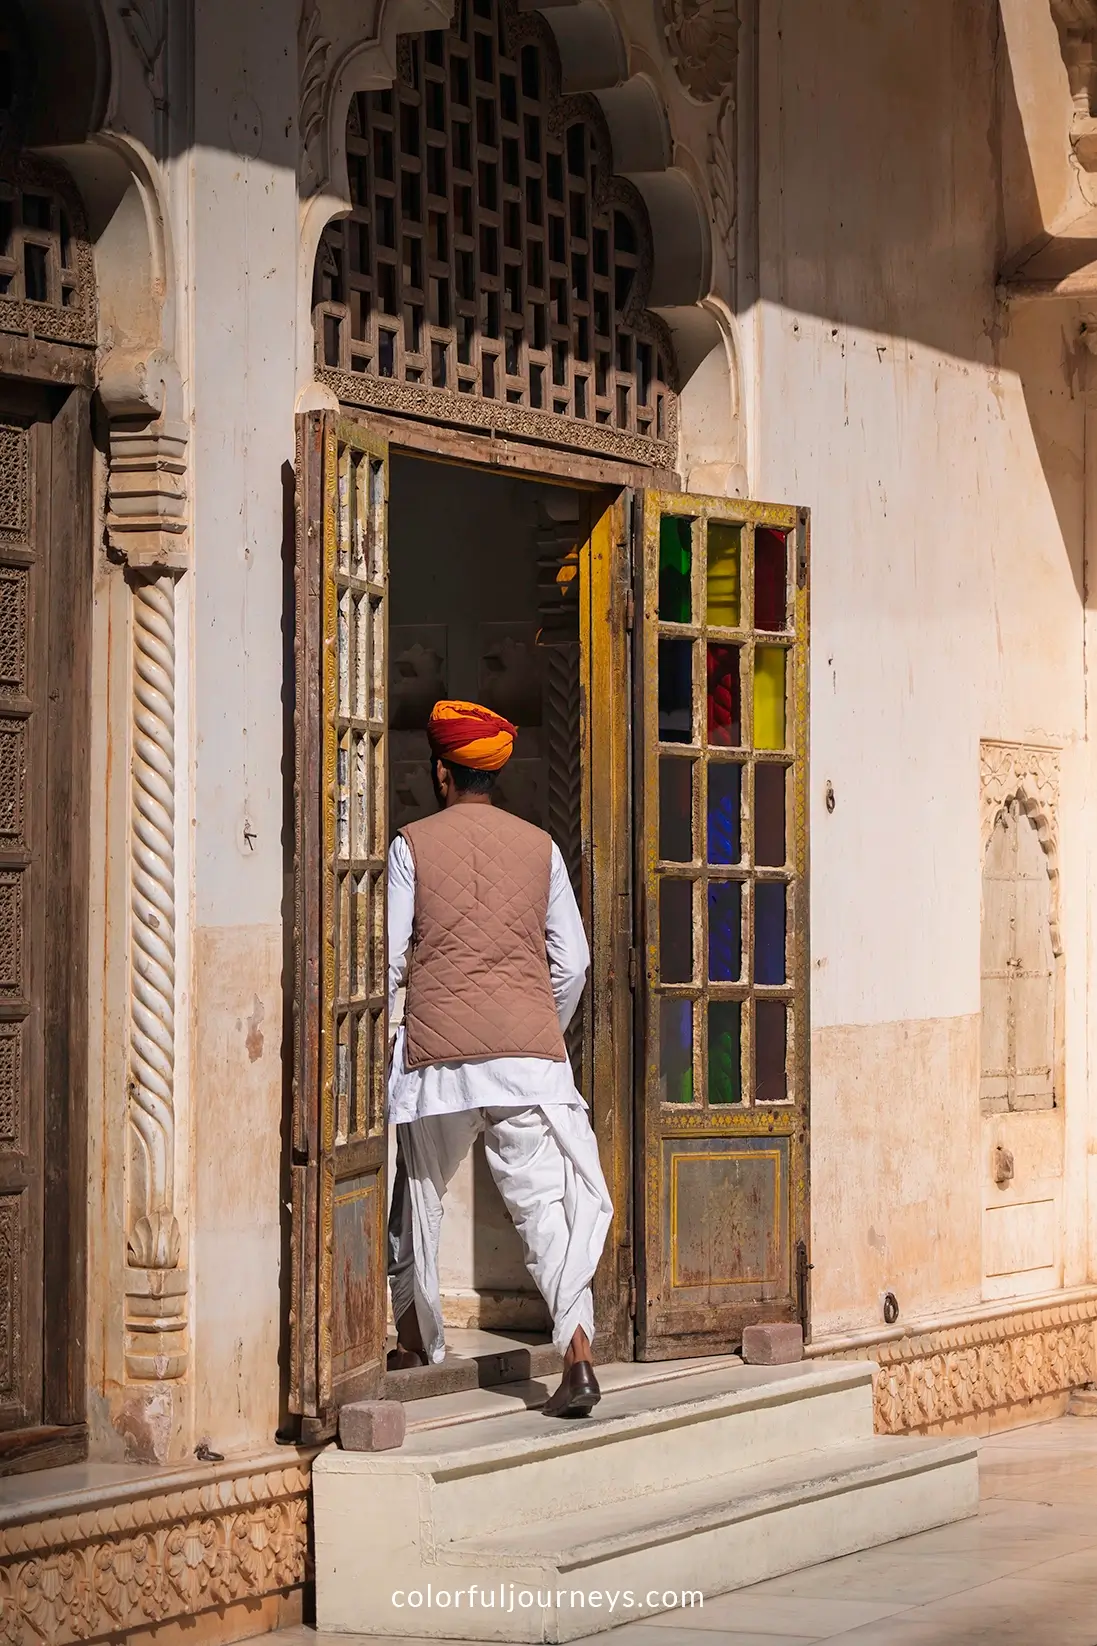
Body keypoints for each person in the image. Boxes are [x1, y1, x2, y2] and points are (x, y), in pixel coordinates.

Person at [386, 699, 613, 1417]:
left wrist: (396, 1035)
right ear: (492, 775)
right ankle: (575, 1354)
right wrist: (538, 1022)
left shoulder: (410, 845)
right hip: (526, 1056)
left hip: (437, 1058)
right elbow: (572, 964)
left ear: (439, 773)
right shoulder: (539, 846)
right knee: (543, 1208)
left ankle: (421, 1346)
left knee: (418, 1200)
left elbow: (390, 958)